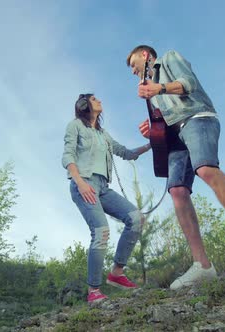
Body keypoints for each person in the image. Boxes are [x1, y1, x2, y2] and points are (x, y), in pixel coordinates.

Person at [126, 45, 225, 290]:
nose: (133, 71)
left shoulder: (168, 59)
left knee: (205, 169)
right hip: (175, 136)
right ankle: (203, 266)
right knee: (177, 191)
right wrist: (152, 125)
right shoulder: (151, 89)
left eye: (133, 64)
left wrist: (159, 88)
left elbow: (188, 83)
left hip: (197, 119)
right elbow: (166, 114)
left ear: (145, 55)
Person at [62, 93, 151, 303]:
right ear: (84, 105)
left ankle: (117, 273)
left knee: (137, 219)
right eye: (94, 99)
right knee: (101, 231)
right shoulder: (75, 126)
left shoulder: (104, 135)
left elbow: (127, 153)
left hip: (103, 187)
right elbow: (68, 156)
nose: (100, 100)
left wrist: (151, 145)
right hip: (84, 183)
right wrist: (81, 183)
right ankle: (93, 291)